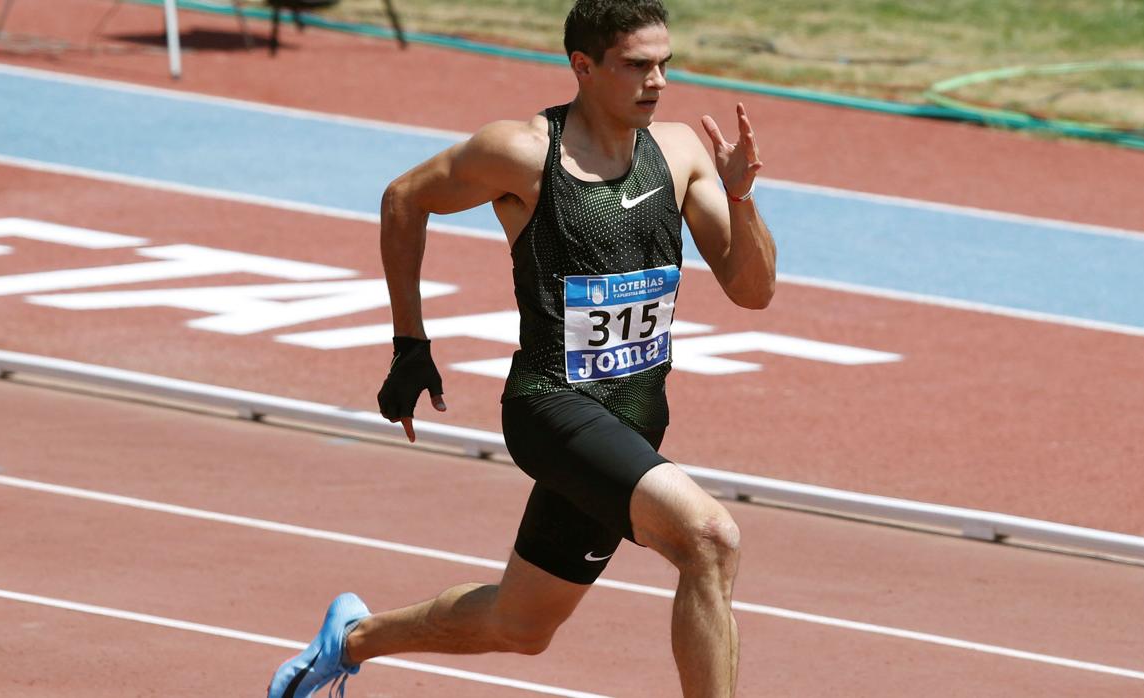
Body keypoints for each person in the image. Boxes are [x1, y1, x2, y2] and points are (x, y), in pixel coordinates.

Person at [268, 0, 775, 696]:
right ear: (583, 65)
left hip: (634, 418)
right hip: (550, 406)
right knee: (709, 541)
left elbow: (751, 291)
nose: (655, 81)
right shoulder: (522, 152)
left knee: (520, 625)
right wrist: (409, 342)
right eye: (635, 65)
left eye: (663, 64)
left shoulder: (680, 152)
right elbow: (404, 198)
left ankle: (351, 638)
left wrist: (741, 199)